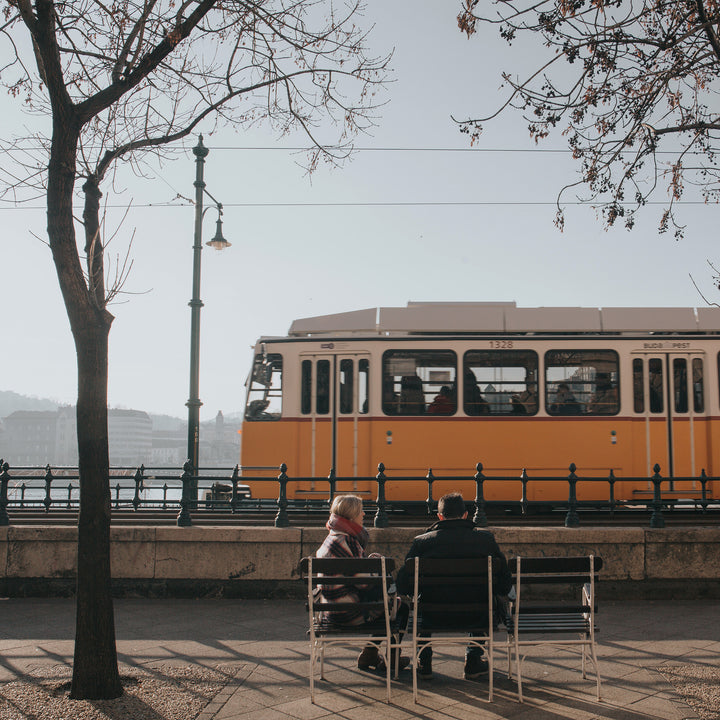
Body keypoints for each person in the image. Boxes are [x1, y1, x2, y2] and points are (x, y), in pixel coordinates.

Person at [396, 492, 512, 681]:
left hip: (431, 615)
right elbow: (505, 584)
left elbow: (402, 584)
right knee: (488, 598)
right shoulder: (485, 540)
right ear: (466, 515)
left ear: (439, 517)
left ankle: (424, 662)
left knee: (419, 604)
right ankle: (473, 659)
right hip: (477, 614)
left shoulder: (422, 542)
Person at [316, 494, 409, 672]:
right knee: (399, 607)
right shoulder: (348, 542)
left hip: (329, 610)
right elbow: (366, 585)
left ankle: (370, 654)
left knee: (389, 605)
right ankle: (390, 659)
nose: (364, 514)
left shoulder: (331, 539)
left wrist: (369, 562)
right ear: (351, 516)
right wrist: (378, 567)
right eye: (360, 511)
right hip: (348, 613)